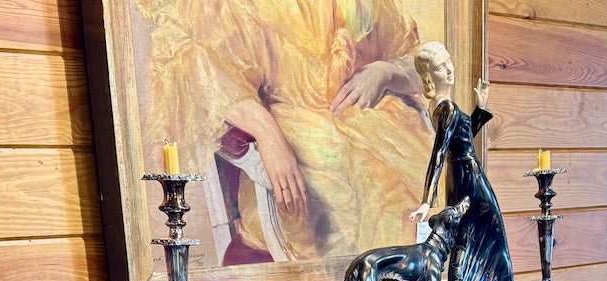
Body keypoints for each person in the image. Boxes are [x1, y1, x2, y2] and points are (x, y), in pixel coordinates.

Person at [136, 0, 435, 264]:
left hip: (382, 128)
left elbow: (416, 59)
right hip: (299, 136)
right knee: (338, 194)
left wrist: (385, 72)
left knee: (419, 203)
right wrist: (267, 133)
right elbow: (196, 65)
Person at [410, 41, 522, 281]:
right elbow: (438, 152)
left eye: (448, 61)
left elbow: (462, 138)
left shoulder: (442, 106)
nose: (449, 68)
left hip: (461, 178)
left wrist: (480, 110)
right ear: (429, 76)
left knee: (472, 244)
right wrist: (426, 200)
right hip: (470, 179)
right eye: (440, 67)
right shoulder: (445, 107)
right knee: (490, 245)